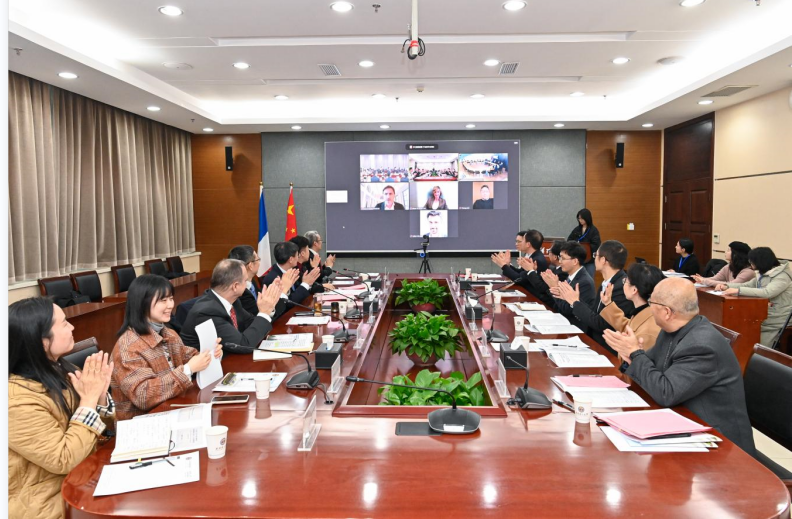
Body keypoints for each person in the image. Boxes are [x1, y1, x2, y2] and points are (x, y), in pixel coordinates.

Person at [603, 278, 756, 454]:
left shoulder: (702, 346)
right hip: (684, 421)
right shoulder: (672, 330)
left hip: (722, 446)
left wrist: (635, 354)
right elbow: (650, 366)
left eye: (652, 302)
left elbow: (666, 393)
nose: (649, 307)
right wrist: (631, 357)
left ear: (667, 312)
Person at [9, 297, 114, 519]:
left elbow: (99, 432)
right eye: (65, 323)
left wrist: (100, 397)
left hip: (83, 475)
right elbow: (64, 459)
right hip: (46, 502)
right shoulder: (15, 401)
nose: (73, 327)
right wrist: (89, 400)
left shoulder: (61, 368)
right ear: (42, 342)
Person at [111, 275, 223, 420]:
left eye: (171, 298)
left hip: (171, 410)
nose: (170, 305)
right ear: (142, 303)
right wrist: (188, 369)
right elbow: (143, 396)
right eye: (163, 300)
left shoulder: (168, 333)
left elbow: (189, 356)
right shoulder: (128, 347)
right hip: (142, 423)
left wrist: (211, 354)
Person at [180, 259, 283, 352]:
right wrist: (264, 313)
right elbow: (243, 345)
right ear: (235, 286)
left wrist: (267, 309)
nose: (247, 284)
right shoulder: (207, 312)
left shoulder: (233, 301)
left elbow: (251, 323)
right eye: (245, 281)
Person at [556, 240, 634, 350]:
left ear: (603, 260)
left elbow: (601, 324)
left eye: (595, 255)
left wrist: (575, 302)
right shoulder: (607, 282)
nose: (594, 259)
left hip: (606, 347)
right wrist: (574, 300)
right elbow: (594, 312)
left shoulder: (621, 287)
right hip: (594, 341)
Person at [717, 247, 792, 346]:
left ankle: (755, 353)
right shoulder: (763, 273)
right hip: (764, 312)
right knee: (739, 323)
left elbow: (767, 292)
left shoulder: (782, 276)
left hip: (777, 317)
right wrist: (727, 286)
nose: (750, 263)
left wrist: (738, 291)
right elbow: (747, 285)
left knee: (753, 337)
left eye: (752, 261)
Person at [527, 241, 596, 327]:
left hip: (574, 326)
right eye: (560, 257)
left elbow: (568, 310)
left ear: (575, 261)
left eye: (563, 258)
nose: (560, 261)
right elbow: (559, 304)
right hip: (562, 320)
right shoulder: (571, 276)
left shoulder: (584, 282)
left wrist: (554, 286)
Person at [599, 263, 665, 352]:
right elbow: (630, 327)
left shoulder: (647, 333)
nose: (623, 283)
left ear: (634, 290)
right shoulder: (645, 312)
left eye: (625, 281)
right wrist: (608, 303)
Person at [261, 241, 322, 306]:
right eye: (297, 255)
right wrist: (305, 284)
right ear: (291, 259)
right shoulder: (273, 278)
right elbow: (287, 304)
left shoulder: (292, 270)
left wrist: (307, 283)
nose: (298, 257)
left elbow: (299, 294)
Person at [517, 240, 566, 305]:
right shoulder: (554, 268)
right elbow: (542, 282)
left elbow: (542, 288)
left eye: (549, 251)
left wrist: (530, 270)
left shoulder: (562, 273)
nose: (548, 253)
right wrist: (534, 270)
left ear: (555, 257)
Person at [567, 208, 601, 278]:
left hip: (589, 261)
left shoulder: (593, 230)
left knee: (589, 278)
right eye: (579, 218)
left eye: (582, 218)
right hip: (578, 259)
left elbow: (596, 244)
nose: (580, 220)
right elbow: (569, 240)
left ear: (587, 218)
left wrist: (584, 247)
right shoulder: (577, 229)